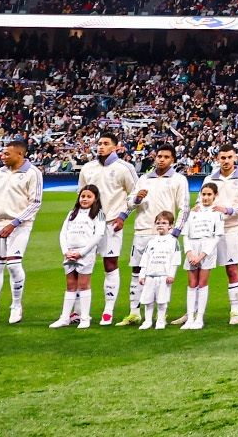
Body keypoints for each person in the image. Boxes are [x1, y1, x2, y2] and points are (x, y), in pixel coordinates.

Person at [0, 138, 43, 325]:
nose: (2, 156)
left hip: (20, 225)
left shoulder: (33, 172)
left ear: (20, 154)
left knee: (13, 265)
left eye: (7, 154)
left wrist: (14, 223)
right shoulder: (0, 173)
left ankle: (16, 306)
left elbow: (35, 203)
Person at [75, 132, 138, 328]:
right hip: (89, 223)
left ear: (116, 147)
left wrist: (123, 216)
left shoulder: (124, 168)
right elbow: (80, 195)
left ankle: (108, 310)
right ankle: (78, 312)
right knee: (82, 264)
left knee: (110, 264)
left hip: (111, 222)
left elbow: (135, 195)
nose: (101, 146)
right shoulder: (88, 167)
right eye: (99, 143)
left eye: (105, 144)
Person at [126, 143, 186, 326]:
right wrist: (137, 198)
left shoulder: (178, 179)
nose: (161, 159)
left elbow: (184, 207)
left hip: (165, 234)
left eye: (166, 157)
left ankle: (161, 313)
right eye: (159, 156)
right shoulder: (144, 178)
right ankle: (134, 312)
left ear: (173, 160)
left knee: (163, 274)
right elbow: (130, 203)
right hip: (143, 229)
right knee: (137, 270)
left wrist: (175, 233)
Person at [199, 148, 238, 326]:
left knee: (232, 269)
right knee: (199, 271)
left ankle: (235, 311)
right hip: (207, 230)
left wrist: (229, 210)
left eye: (230, 157)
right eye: (223, 157)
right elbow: (202, 200)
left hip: (230, 229)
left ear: (235, 158)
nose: (226, 160)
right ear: (217, 158)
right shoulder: (209, 179)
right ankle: (194, 313)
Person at [53, 184, 106, 328]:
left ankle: (84, 318)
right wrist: (66, 251)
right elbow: (63, 233)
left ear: (95, 199)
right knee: (70, 285)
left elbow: (99, 234)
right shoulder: (72, 213)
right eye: (83, 196)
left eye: (89, 196)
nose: (85, 199)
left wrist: (82, 252)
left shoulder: (98, 214)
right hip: (69, 253)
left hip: (85, 254)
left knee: (83, 285)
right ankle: (64, 318)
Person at [178, 181, 226, 331]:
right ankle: (190, 318)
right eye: (203, 194)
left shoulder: (217, 214)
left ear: (215, 196)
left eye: (209, 194)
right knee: (192, 284)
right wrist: (189, 253)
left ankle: (199, 318)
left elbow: (217, 236)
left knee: (202, 283)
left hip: (207, 250)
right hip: (192, 248)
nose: (205, 197)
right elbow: (185, 234)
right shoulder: (193, 212)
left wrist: (202, 255)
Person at [138, 211, 181, 330]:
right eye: (158, 223)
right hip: (150, 275)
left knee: (162, 300)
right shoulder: (151, 241)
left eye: (164, 223)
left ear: (170, 225)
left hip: (164, 276)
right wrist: (142, 275)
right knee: (148, 300)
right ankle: (147, 321)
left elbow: (175, 260)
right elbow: (145, 258)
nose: (161, 225)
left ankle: (161, 320)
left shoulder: (173, 242)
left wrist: (171, 275)